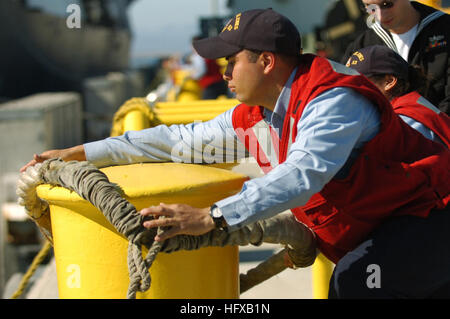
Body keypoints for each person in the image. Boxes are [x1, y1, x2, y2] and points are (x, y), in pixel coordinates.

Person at [21, 9, 450, 298]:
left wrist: (212, 216)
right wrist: (86, 152)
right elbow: (177, 139)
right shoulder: (254, 116)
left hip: (427, 222)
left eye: (230, 61)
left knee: (355, 283)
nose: (222, 72)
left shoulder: (333, 101)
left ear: (266, 62)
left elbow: (304, 173)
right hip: (383, 228)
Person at [341, 0, 450, 115]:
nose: (380, 16)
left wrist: (428, 128)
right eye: (371, 7)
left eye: (387, 4)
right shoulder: (362, 45)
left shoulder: (445, 28)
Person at [346, 45, 450, 147]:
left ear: (389, 81)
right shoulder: (412, 106)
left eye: (358, 83)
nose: (352, 91)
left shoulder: (405, 121)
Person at [179, 35, 229, 100]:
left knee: (208, 104)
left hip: (210, 85)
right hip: (220, 82)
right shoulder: (209, 53)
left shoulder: (198, 56)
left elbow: (201, 70)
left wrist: (192, 76)